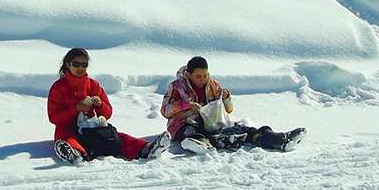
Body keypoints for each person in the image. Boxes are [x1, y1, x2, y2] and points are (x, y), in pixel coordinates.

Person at [47, 48, 170, 164]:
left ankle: (146, 149)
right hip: (68, 128)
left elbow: (108, 113)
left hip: (91, 128)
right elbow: (54, 117)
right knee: (66, 138)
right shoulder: (58, 87)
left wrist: (100, 105)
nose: (80, 68)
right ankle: (75, 154)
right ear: (68, 65)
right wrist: (76, 109)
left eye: (84, 65)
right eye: (76, 64)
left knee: (118, 138)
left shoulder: (93, 85)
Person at [161, 56, 305, 154]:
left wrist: (226, 98)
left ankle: (278, 140)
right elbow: (165, 111)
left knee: (242, 129)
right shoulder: (176, 87)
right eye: (198, 76)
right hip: (183, 125)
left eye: (205, 75)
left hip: (211, 123)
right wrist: (186, 105)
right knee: (193, 128)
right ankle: (197, 142)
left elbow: (228, 110)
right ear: (189, 74)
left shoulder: (213, 85)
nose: (203, 79)